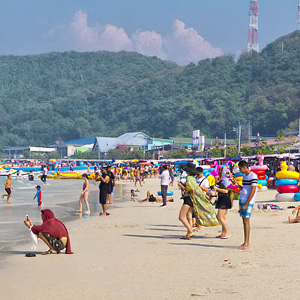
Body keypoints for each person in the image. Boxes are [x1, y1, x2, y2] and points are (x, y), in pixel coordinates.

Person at [178, 163, 219, 240]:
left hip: (188, 199)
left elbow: (190, 189)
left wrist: (182, 187)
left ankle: (190, 231)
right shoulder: (193, 177)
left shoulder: (189, 178)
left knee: (181, 217)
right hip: (192, 199)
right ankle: (188, 233)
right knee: (189, 217)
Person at [233, 160, 258, 250]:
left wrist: (246, 204)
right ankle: (245, 242)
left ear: (245, 167)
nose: (240, 170)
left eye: (240, 168)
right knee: (244, 220)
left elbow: (253, 190)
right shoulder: (245, 176)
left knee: (246, 220)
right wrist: (237, 186)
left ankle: (246, 242)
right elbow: (244, 189)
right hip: (242, 198)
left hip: (248, 200)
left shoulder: (253, 176)